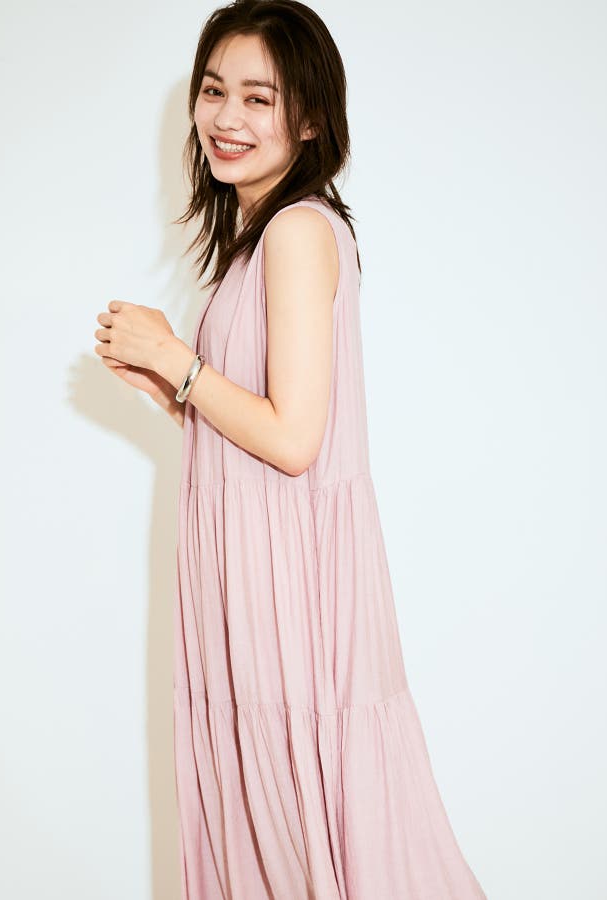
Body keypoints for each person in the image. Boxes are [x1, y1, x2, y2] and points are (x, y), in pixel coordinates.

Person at [94, 2, 488, 897]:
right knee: (275, 822)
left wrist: (180, 360)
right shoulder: (259, 238)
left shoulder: (297, 231)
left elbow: (296, 440)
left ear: (310, 119)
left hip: (288, 594)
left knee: (302, 823)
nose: (227, 118)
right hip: (254, 575)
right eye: (213, 91)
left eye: (259, 98)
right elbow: (267, 434)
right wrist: (175, 393)